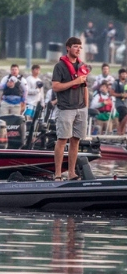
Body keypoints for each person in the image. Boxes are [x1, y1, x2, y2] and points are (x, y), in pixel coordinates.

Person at [52, 37, 89, 181]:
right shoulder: (59, 66)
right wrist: (74, 81)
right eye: (75, 46)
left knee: (76, 140)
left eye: (80, 47)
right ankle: (58, 173)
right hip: (65, 108)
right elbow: (55, 86)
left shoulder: (82, 65)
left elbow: (85, 86)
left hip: (80, 108)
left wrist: (86, 105)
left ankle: (71, 172)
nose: (78, 49)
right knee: (62, 140)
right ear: (68, 48)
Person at [109, 68, 127, 135]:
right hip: (119, 103)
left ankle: (121, 133)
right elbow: (111, 93)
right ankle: (120, 131)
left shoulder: (126, 83)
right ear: (119, 75)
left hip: (126, 103)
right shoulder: (116, 83)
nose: (124, 75)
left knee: (122, 119)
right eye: (123, 74)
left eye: (125, 74)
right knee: (125, 115)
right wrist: (121, 95)